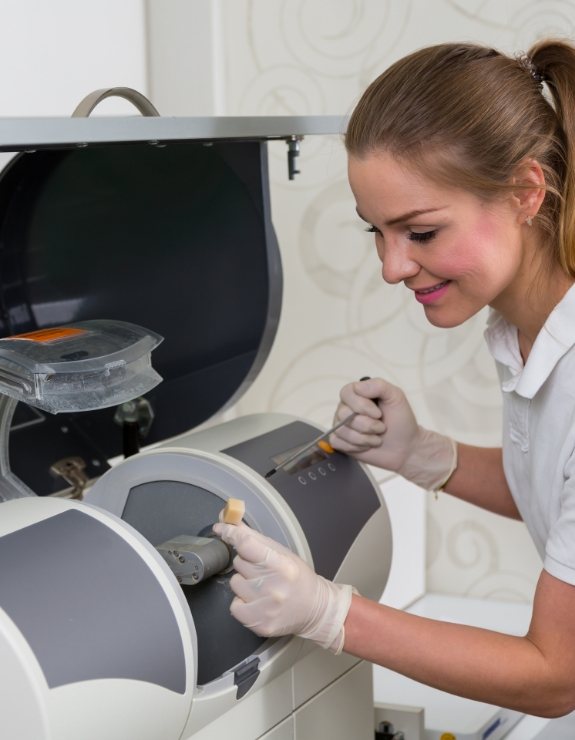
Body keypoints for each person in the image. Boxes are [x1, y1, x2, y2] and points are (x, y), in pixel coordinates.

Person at [214, 38, 575, 718]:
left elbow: (557, 676)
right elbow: (557, 488)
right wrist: (421, 455)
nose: (390, 267)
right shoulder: (526, 328)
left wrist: (330, 613)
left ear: (526, 192)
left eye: (421, 232)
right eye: (375, 232)